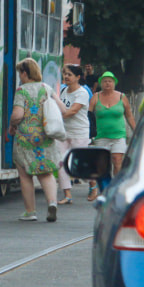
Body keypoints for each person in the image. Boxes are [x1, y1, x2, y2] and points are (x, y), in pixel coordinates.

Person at [7, 58, 61, 222]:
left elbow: (18, 115)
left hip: (25, 138)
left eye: (20, 73)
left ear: (25, 73)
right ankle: (52, 203)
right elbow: (62, 109)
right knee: (46, 172)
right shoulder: (47, 88)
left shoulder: (22, 91)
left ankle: (30, 212)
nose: (19, 76)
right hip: (45, 137)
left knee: (25, 175)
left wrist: (11, 124)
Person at [54, 64, 92, 204]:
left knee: (79, 164)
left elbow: (73, 111)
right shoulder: (63, 91)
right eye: (65, 74)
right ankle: (67, 194)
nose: (66, 77)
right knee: (60, 162)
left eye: (69, 74)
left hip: (79, 132)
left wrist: (55, 118)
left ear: (78, 77)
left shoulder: (82, 93)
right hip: (63, 132)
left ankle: (93, 183)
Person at [89, 71, 136, 177]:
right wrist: (89, 132)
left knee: (117, 161)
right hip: (101, 136)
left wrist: (136, 131)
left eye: (110, 81)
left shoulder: (122, 97)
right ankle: (103, 184)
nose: (107, 83)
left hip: (118, 135)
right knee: (102, 164)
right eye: (105, 81)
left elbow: (129, 116)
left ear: (114, 83)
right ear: (101, 84)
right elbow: (88, 115)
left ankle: (116, 184)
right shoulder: (96, 97)